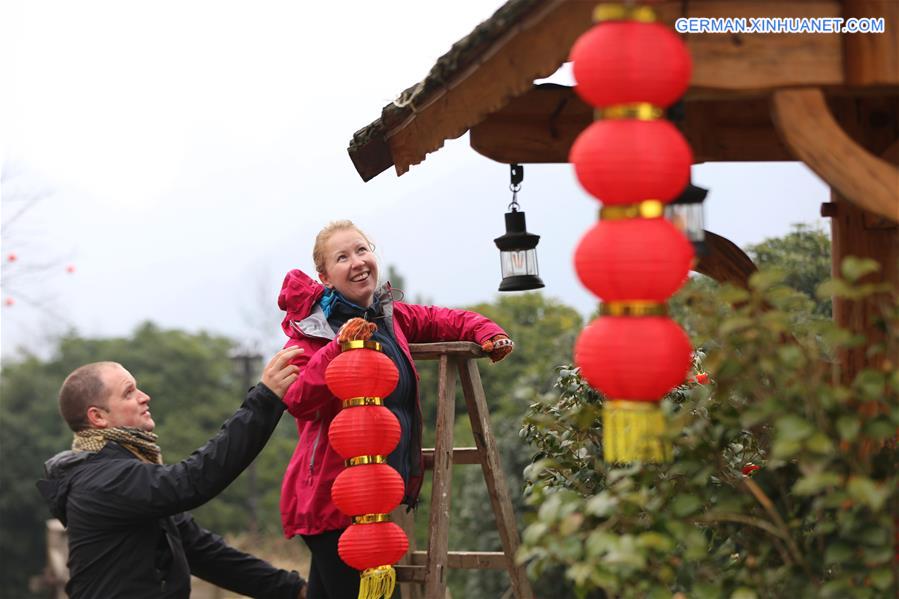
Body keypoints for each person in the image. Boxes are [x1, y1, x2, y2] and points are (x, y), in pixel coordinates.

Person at [276, 220, 514, 598]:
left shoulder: (390, 317)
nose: (357, 262)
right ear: (324, 277)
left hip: (371, 497)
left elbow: (443, 319)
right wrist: (339, 347)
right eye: (342, 257)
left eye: (361, 250)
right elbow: (298, 400)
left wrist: (487, 332)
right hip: (331, 501)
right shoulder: (312, 331)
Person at [36, 347, 309, 599]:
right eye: (129, 392)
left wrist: (295, 590)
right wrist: (264, 399)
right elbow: (193, 480)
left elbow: (204, 552)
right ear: (97, 417)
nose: (144, 397)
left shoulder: (122, 474)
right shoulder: (103, 479)